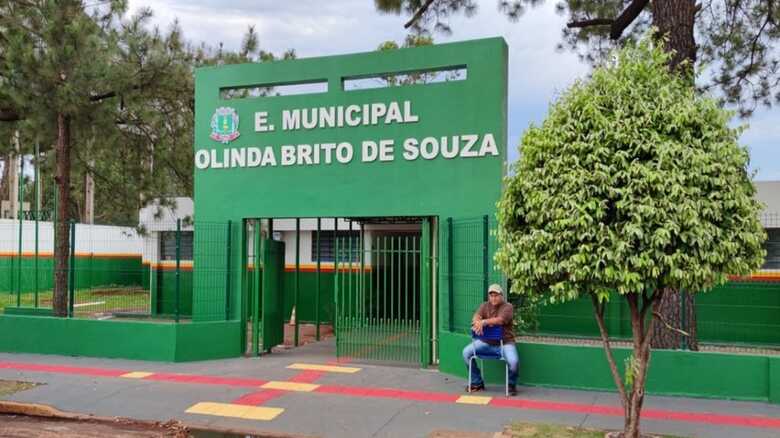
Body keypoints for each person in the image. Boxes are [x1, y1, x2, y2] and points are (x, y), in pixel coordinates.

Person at [461, 283, 519, 396]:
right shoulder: (484, 305)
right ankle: (476, 382)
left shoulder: (508, 307)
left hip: (505, 344)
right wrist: (477, 321)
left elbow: (500, 320)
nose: (493, 298)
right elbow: (476, 316)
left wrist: (484, 322)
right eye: (491, 295)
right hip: (486, 343)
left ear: (501, 296)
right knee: (466, 353)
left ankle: (511, 385)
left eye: (496, 295)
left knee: (513, 362)